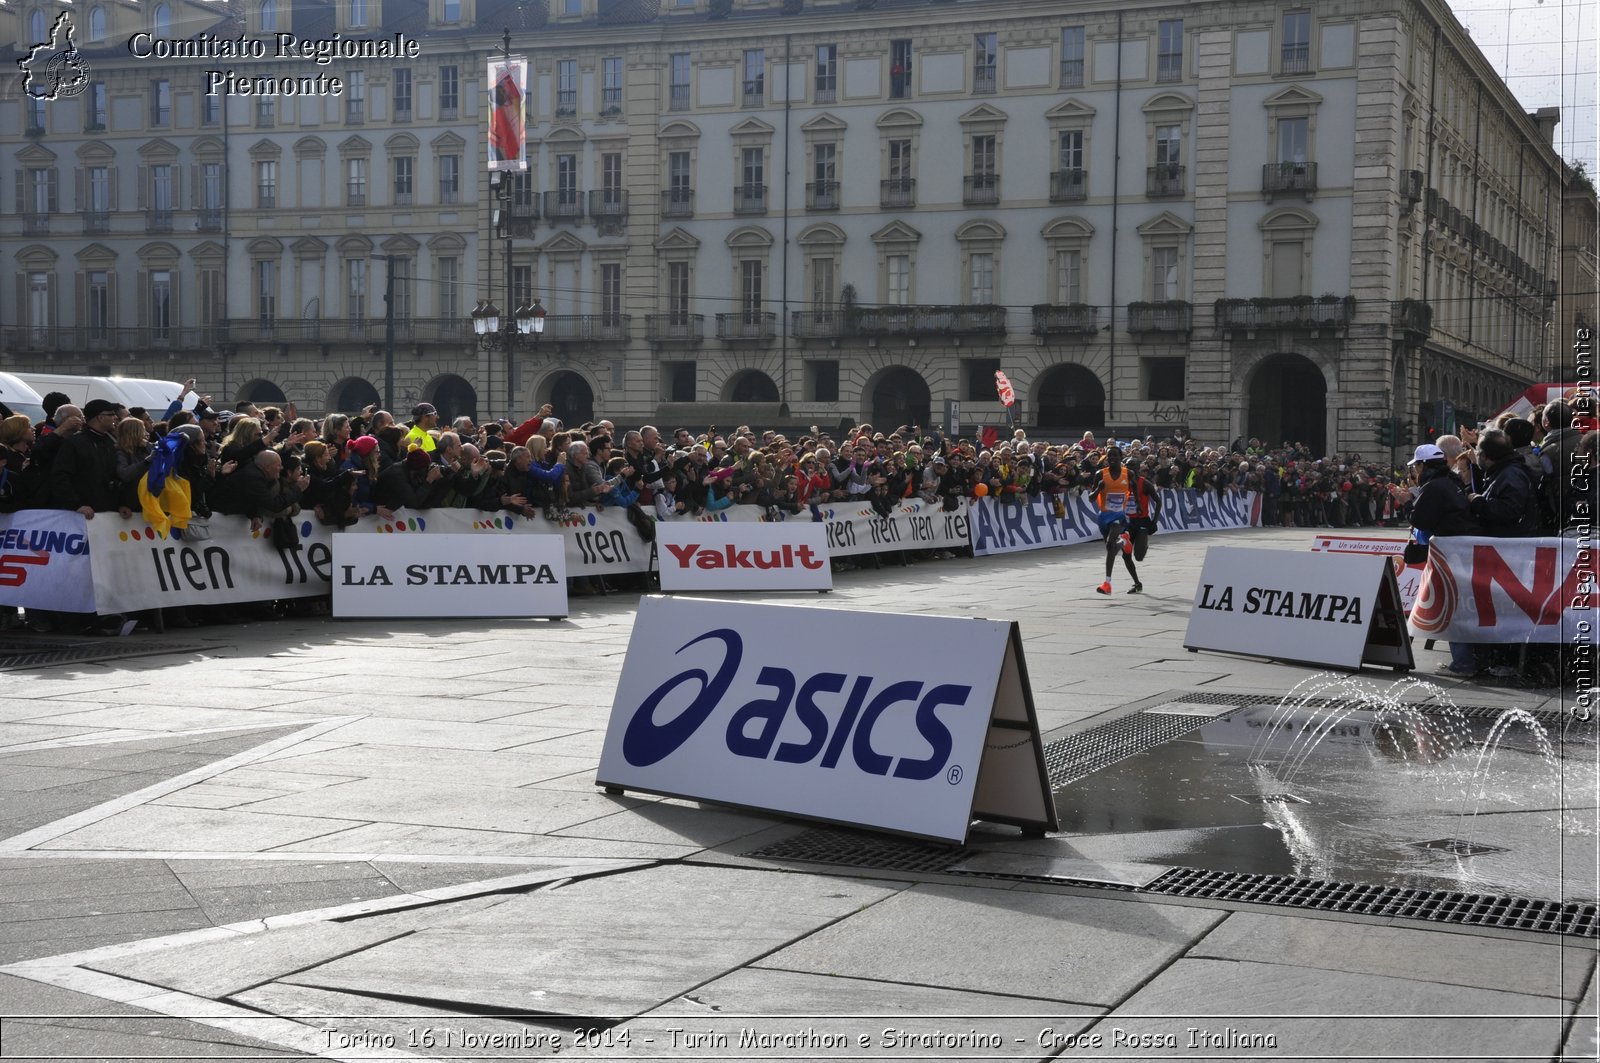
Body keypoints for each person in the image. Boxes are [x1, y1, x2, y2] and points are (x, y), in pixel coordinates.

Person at [1405, 443, 1481, 677]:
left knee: (1452, 607)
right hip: (1460, 550)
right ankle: (1466, 660)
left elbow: (1421, 520)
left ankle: (1463, 663)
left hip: (1449, 553)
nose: (1415, 471)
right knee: (1460, 606)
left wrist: (1408, 501)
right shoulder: (1450, 482)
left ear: (1423, 465)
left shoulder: (1434, 487)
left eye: (1416, 466)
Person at [1091, 445, 1141, 595]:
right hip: (1104, 516)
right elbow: (1091, 498)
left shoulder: (1128, 474)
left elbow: (1134, 489)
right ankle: (1124, 542)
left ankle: (1107, 583)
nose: (1112, 459)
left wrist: (1137, 505)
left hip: (1119, 516)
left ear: (1121, 458)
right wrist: (1098, 489)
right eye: (1109, 456)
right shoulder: (1100, 474)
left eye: (1115, 456)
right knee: (1111, 548)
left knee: (1110, 544)